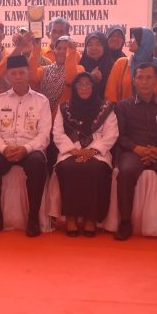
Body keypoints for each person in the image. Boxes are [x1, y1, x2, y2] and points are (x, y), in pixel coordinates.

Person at [0, 55, 52, 237]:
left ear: (29, 74)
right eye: (14, 73)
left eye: (22, 73)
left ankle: (33, 219)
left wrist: (26, 149)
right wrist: (4, 148)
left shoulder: (41, 101)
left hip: (30, 149)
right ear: (7, 76)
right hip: (4, 148)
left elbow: (44, 134)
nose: (18, 77)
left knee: (37, 163)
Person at [113, 61, 157, 243]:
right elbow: (120, 135)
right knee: (126, 172)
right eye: (140, 78)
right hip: (133, 151)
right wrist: (137, 148)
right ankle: (125, 222)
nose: (144, 82)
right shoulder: (123, 106)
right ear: (134, 80)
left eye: (149, 78)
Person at [52, 72, 118, 236]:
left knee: (95, 169)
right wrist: (74, 150)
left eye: (88, 85)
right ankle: (70, 218)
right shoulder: (64, 108)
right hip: (71, 150)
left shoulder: (106, 108)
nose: (84, 88)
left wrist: (91, 151)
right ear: (74, 88)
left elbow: (111, 134)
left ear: (94, 87)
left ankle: (91, 218)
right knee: (67, 168)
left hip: (97, 151)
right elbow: (58, 133)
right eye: (80, 85)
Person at [104, 27, 157, 102]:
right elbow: (110, 93)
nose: (130, 41)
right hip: (123, 108)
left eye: (134, 38)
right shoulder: (121, 63)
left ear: (144, 41)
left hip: (152, 108)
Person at [29, 35, 82, 113]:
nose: (62, 51)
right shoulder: (45, 70)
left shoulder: (79, 69)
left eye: (66, 48)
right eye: (59, 48)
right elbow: (32, 77)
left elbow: (70, 79)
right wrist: (36, 50)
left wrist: (71, 54)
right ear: (54, 51)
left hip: (65, 116)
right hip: (44, 113)